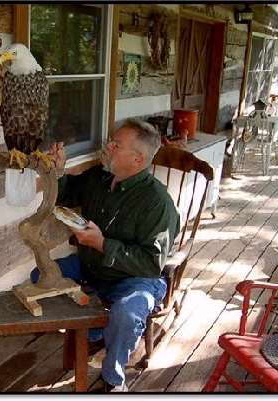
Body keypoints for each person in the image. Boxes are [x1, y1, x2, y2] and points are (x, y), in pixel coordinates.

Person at [31, 118, 180, 392]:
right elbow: (66, 194)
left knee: (125, 313)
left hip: (134, 279)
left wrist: (102, 244)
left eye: (116, 144)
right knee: (41, 274)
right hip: (92, 267)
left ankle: (113, 379)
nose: (107, 145)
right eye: (111, 140)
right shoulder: (100, 177)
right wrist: (59, 172)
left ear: (137, 159)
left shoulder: (157, 203)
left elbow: (151, 263)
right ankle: (97, 329)